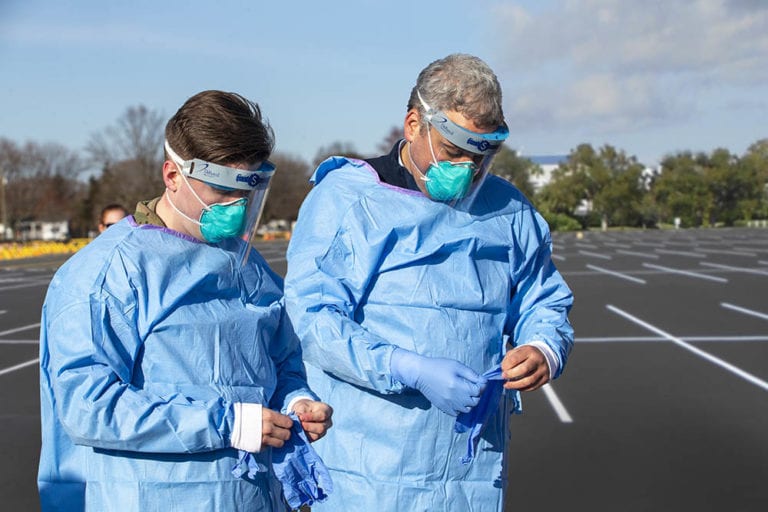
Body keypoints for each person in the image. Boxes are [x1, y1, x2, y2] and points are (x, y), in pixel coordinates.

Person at [284, 54, 574, 511]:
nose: (468, 168)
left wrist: (543, 347)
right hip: (368, 474)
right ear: (414, 124)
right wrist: (407, 367)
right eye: (454, 150)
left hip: (470, 474)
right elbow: (313, 318)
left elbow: (543, 298)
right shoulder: (349, 200)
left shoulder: (508, 211)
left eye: (481, 156)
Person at [38, 90, 332, 511]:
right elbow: (88, 404)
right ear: (172, 176)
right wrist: (223, 424)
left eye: (245, 193)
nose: (235, 207)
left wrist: (297, 402)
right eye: (220, 190)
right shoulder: (108, 274)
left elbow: (282, 363)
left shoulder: (247, 266)